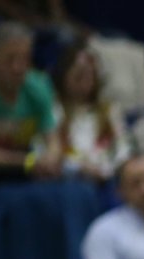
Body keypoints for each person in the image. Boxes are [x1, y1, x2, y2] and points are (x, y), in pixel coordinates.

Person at [50, 37, 127, 184]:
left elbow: (123, 149)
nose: (86, 81)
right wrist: (78, 167)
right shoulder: (52, 110)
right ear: (64, 75)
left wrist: (107, 170)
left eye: (91, 75)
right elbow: (44, 153)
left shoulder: (109, 111)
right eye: (79, 75)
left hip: (107, 177)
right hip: (67, 181)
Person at [0, 21, 61, 180]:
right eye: (10, 59)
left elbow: (53, 141)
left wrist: (50, 158)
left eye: (24, 59)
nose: (18, 67)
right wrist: (28, 161)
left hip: (24, 172)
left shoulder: (38, 87)